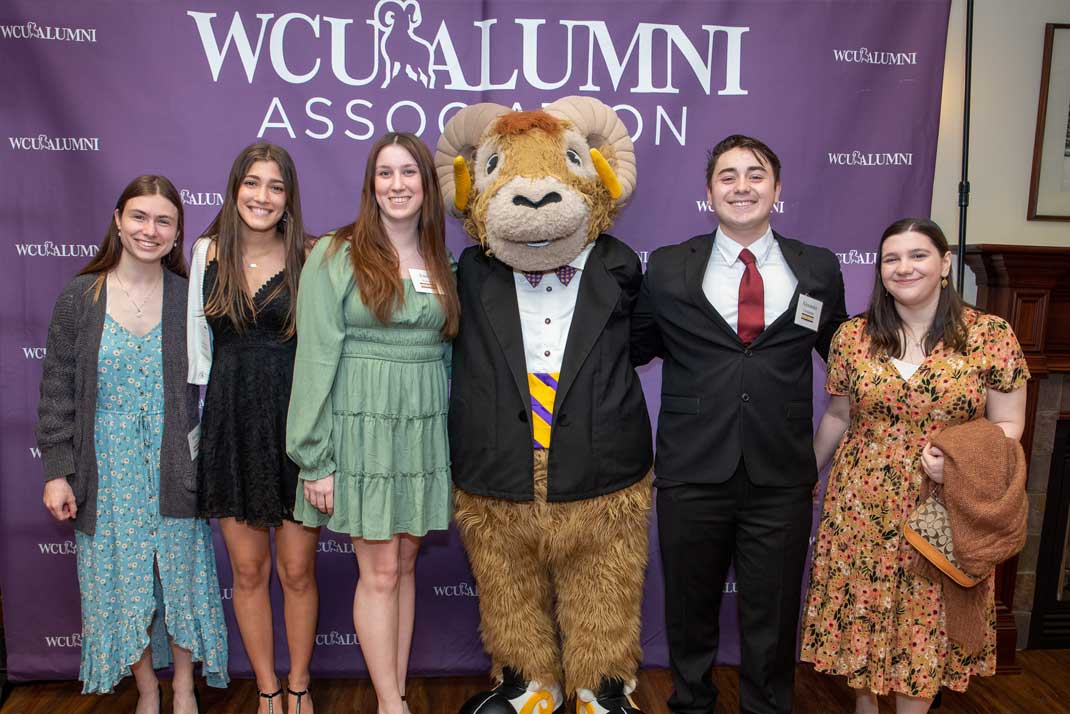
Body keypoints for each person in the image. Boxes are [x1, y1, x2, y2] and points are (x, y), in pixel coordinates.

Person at [631, 134, 847, 714]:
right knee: (689, 609)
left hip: (780, 475)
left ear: (777, 189)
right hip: (691, 469)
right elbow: (630, 346)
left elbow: (850, 361)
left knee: (773, 617)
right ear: (709, 193)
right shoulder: (670, 266)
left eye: (756, 175)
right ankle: (692, 704)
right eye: (728, 176)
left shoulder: (818, 268)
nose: (742, 186)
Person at [801, 218, 1029, 714]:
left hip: (941, 510)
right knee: (858, 617)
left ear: (945, 263)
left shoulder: (990, 335)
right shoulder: (853, 337)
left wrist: (965, 465)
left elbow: (1009, 425)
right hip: (858, 505)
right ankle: (864, 707)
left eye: (918, 255)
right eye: (891, 258)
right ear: (880, 270)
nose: (904, 267)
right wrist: (806, 476)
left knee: (924, 627)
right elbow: (838, 416)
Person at [38, 175, 228, 714]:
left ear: (176, 234)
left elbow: (211, 385)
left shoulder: (190, 299)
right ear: (118, 221)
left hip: (176, 462)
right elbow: (56, 387)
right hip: (105, 465)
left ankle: (185, 686)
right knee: (120, 582)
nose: (150, 229)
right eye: (140, 217)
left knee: (183, 577)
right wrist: (58, 470)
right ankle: (147, 688)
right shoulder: (81, 296)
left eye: (163, 221)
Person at [286, 132, 459, 714]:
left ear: (426, 186)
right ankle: (390, 705)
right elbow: (313, 357)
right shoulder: (335, 254)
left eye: (409, 172)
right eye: (385, 174)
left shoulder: (442, 260)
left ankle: (396, 690)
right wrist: (316, 457)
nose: (397, 185)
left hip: (421, 432)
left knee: (405, 564)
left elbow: (450, 355)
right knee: (381, 571)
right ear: (370, 186)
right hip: (360, 432)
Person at [188, 143, 318, 714]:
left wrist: (322, 445)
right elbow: (197, 355)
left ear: (289, 199)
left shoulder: (310, 256)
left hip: (294, 428)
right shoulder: (206, 252)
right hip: (231, 426)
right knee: (247, 570)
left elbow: (324, 353)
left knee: (296, 570)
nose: (262, 197)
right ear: (234, 188)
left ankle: (299, 684)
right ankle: (267, 688)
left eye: (275, 186)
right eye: (252, 183)